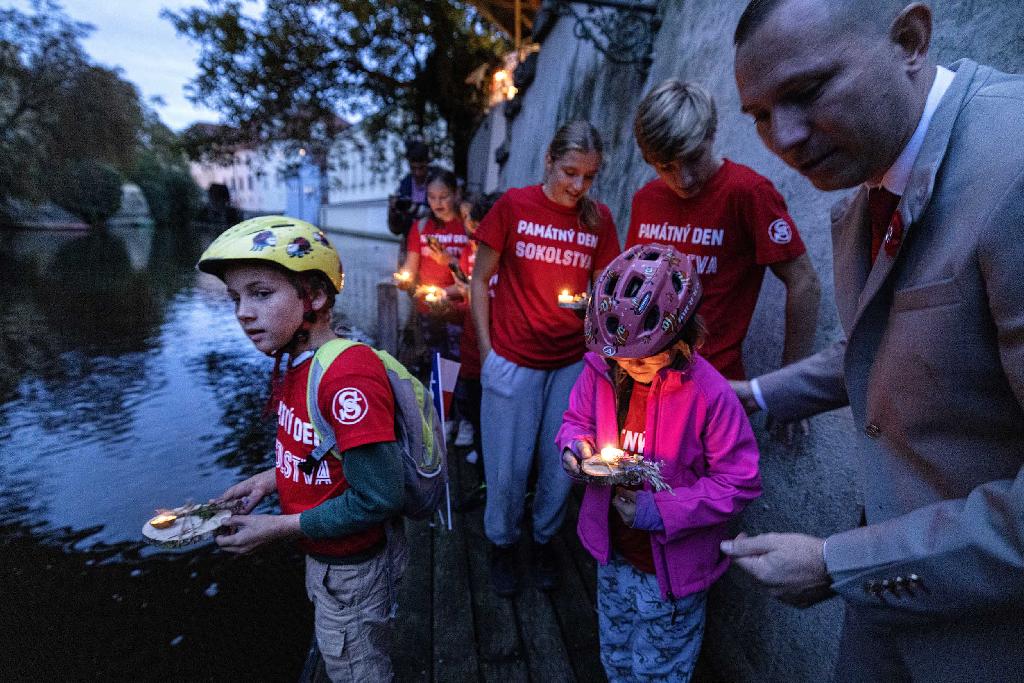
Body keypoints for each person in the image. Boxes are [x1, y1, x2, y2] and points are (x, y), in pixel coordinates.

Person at [723, 1, 1024, 680]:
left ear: (910, 39)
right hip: (892, 613)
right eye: (761, 117)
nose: (786, 138)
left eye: (805, 93)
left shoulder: (1015, 166)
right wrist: (753, 394)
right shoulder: (869, 188)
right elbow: (885, 345)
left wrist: (838, 562)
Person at [196, 216, 407, 682]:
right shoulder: (299, 362)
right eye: (236, 298)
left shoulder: (346, 377)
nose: (242, 313)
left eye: (261, 293)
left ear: (314, 295)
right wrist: (267, 480)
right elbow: (323, 450)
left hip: (353, 567)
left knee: (356, 668)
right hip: (327, 559)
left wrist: (276, 528)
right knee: (342, 654)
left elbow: (379, 496)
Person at [557, 243, 761, 682]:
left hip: (670, 577)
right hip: (613, 558)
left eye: (643, 357)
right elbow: (576, 419)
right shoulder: (601, 370)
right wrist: (576, 448)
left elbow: (738, 482)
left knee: (660, 670)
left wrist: (656, 510)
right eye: (619, 356)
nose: (628, 367)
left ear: (681, 335)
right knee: (616, 655)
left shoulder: (709, 395)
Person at [471, 120, 621, 597]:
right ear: (549, 161)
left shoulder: (599, 221)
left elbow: (604, 291)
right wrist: (487, 350)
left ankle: (542, 540)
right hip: (513, 358)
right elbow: (479, 281)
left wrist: (594, 318)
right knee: (507, 466)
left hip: (571, 362)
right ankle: (501, 542)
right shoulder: (514, 206)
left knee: (561, 464)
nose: (579, 186)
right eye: (570, 172)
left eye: (590, 177)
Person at [627, 79, 820, 383]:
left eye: (693, 159)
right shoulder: (646, 200)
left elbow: (804, 282)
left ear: (712, 134)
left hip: (712, 386)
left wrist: (790, 384)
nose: (684, 179)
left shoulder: (747, 192)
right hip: (645, 384)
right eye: (666, 167)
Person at [398, 169, 469, 377]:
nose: (437, 203)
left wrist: (449, 262)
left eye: (443, 197)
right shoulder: (420, 227)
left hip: (461, 309)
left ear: (456, 194)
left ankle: (456, 407)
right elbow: (411, 266)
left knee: (460, 367)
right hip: (429, 309)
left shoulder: (468, 226)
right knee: (437, 366)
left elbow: (475, 273)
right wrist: (404, 280)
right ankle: (439, 407)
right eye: (431, 197)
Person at [388, 139, 436, 262]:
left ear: (427, 163)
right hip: (409, 244)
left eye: (421, 168)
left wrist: (415, 208)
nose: (418, 173)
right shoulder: (404, 185)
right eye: (413, 168)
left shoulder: (437, 181)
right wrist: (393, 213)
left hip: (434, 243)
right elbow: (396, 230)